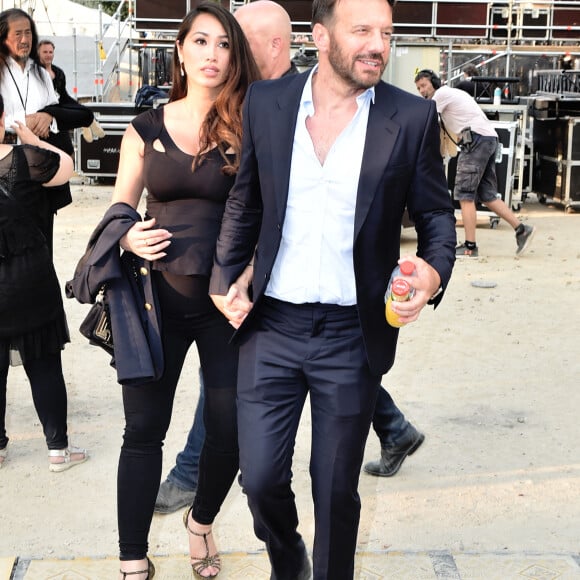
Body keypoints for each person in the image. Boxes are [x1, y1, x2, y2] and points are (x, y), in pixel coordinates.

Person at [209, 0, 457, 577]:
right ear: (321, 36)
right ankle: (289, 558)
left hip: (352, 333)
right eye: (362, 30)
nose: (378, 45)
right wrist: (227, 275)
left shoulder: (411, 117)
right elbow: (246, 199)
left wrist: (431, 270)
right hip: (270, 325)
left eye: (387, 34)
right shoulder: (268, 103)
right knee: (262, 479)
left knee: (335, 490)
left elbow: (437, 217)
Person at [154, 0, 425, 516]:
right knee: (259, 429)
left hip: (316, 299)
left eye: (237, 41)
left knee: (319, 461)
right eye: (214, 41)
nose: (224, 53)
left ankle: (192, 469)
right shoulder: (255, 102)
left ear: (275, 45)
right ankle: (392, 428)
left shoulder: (335, 106)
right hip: (256, 291)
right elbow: (249, 198)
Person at [108, 3, 260, 578]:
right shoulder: (145, 129)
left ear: (234, 56)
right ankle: (132, 560)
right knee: (142, 431)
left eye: (223, 45)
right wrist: (126, 239)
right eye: (201, 42)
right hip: (155, 303)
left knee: (230, 430)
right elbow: (121, 207)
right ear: (181, 50)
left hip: (227, 303)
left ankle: (200, 523)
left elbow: (264, 214)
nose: (212, 55)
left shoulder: (248, 126)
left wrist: (246, 277)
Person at [0, 94, 88, 472]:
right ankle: (58, 450)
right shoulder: (25, 160)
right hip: (30, 278)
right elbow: (67, 168)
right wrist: (33, 140)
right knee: (44, 364)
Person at [414, 69, 535, 258]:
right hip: (487, 139)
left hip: (476, 141)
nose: (422, 90)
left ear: (435, 83)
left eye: (424, 85)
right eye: (418, 88)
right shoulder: (451, 94)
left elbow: (423, 119)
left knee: (464, 194)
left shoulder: (441, 94)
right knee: (487, 195)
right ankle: (522, 229)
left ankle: (470, 247)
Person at [0, 8, 79, 245]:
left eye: (28, 34)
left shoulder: (42, 74)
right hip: (7, 161)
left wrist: (48, 118)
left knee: (42, 235)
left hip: (38, 157)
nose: (24, 40)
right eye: (17, 34)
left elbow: (52, 110)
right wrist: (29, 121)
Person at [37, 39, 105, 145]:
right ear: (38, 53)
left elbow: (64, 96)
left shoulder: (58, 72)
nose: (48, 55)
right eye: (45, 52)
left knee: (84, 110)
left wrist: (78, 107)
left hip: (59, 108)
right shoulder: (35, 72)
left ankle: (88, 122)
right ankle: (87, 122)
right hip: (45, 111)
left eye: (50, 52)